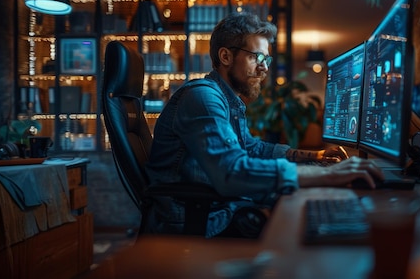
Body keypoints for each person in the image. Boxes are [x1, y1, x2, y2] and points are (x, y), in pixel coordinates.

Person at [146, 12, 385, 238]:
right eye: (256, 57)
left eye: (266, 58)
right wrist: (329, 175)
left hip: (218, 206)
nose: (265, 67)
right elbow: (231, 172)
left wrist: (315, 156)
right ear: (226, 56)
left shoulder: (227, 100)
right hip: (200, 219)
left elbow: (251, 148)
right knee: (303, 232)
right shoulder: (203, 98)